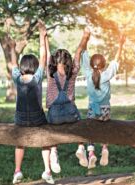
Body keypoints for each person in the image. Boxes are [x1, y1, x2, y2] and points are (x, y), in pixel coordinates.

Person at [10, 20, 54, 184]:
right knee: (46, 141)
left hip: (20, 120)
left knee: (19, 144)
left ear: (22, 67)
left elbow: (13, 62)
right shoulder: (37, 77)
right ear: (35, 66)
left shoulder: (17, 77)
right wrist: (42, 36)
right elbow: (43, 55)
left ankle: (17, 171)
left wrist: (13, 48)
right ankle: (48, 171)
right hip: (38, 119)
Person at [44, 27, 91, 173]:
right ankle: (81, 148)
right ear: (68, 61)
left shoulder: (50, 73)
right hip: (71, 114)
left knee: (51, 130)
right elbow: (78, 51)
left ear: (54, 61)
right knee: (81, 124)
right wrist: (85, 36)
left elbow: (45, 54)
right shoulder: (73, 72)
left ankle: (54, 152)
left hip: (54, 116)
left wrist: (44, 37)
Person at [77, 31, 126, 169]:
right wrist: (121, 45)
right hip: (105, 108)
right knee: (104, 129)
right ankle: (104, 148)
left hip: (93, 108)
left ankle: (91, 153)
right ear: (104, 65)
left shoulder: (87, 73)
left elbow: (84, 54)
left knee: (91, 130)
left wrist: (86, 39)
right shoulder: (107, 75)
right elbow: (116, 61)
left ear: (92, 65)